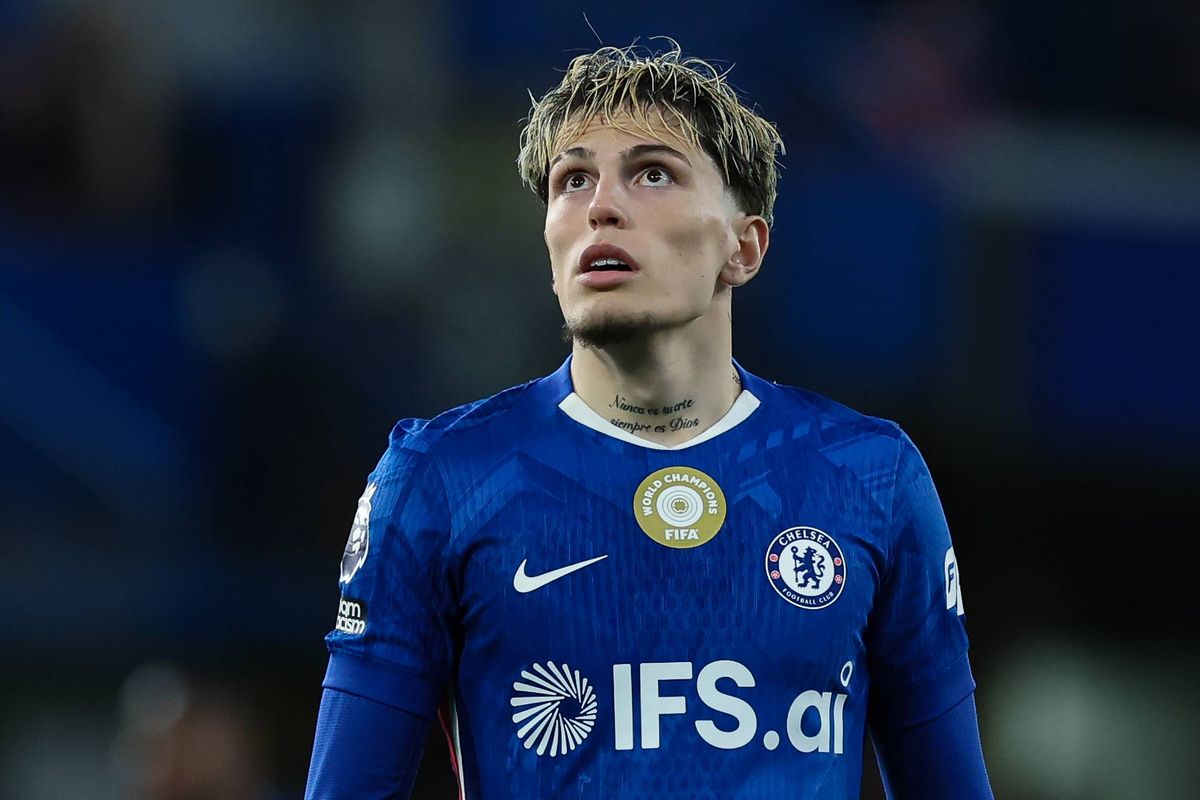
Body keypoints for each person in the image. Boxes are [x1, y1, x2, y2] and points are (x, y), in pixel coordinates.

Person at [305, 41, 994, 799]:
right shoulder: (440, 478)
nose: (601, 204)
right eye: (572, 180)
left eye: (653, 172)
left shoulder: (871, 476)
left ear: (744, 246)